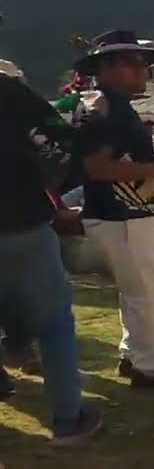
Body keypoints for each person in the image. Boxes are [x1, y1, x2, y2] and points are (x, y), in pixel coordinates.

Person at [73, 30, 154, 387]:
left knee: (135, 291)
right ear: (107, 66)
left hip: (123, 213)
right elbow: (98, 167)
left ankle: (135, 355)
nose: (142, 71)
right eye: (134, 64)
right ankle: (153, 368)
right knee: (147, 292)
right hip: (122, 215)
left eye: (144, 64)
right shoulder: (108, 109)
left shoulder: (107, 104)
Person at [0, 69, 102, 443]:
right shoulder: (9, 90)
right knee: (55, 325)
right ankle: (68, 418)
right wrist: (50, 187)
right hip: (21, 224)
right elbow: (61, 137)